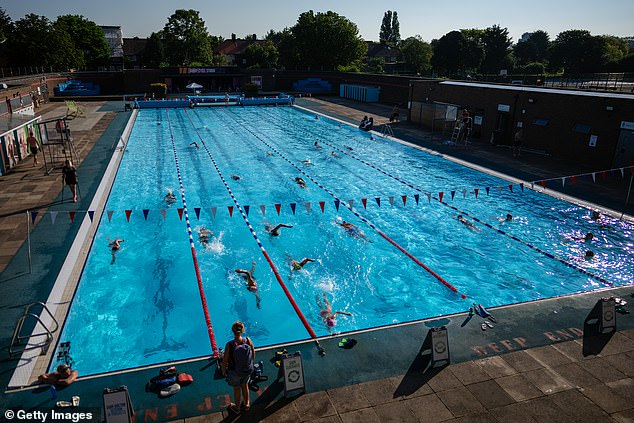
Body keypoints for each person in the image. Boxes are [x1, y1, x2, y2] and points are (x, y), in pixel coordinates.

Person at [221, 321, 255, 414]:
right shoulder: (248, 340)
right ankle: (247, 405)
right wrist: (251, 363)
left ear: (233, 331)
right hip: (247, 370)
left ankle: (237, 408)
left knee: (236, 388)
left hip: (235, 372)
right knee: (245, 385)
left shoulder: (230, 345)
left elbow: (225, 360)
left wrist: (223, 370)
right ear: (243, 331)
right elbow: (253, 352)